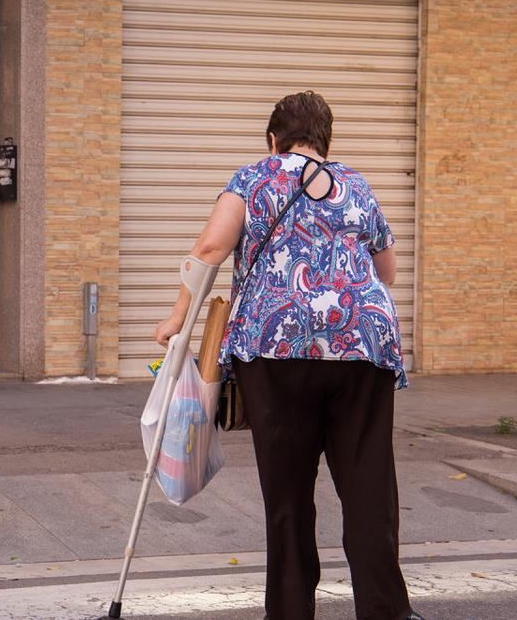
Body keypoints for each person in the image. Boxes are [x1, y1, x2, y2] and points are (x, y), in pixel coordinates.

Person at [154, 91, 421, 620]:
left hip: (276, 350)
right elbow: (386, 273)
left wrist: (178, 318)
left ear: (273, 140)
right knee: (368, 487)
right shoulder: (357, 185)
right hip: (361, 345)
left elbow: (209, 249)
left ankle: (291, 612)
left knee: (289, 493)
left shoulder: (254, 179)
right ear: (326, 141)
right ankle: (386, 611)